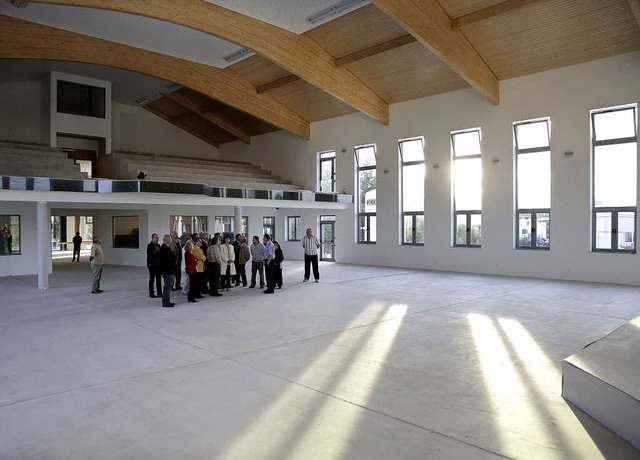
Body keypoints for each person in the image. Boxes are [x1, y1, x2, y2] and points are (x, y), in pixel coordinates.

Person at [159, 234, 176, 308]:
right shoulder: (164, 248)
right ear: (166, 240)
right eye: (170, 239)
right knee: (167, 287)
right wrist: (173, 256)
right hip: (167, 271)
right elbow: (168, 259)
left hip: (168, 270)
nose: (171, 240)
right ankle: (165, 303)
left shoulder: (167, 247)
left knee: (168, 287)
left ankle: (167, 301)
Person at [146, 233, 162, 298]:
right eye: (156, 237)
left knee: (159, 279)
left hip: (158, 265)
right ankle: (151, 293)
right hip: (152, 265)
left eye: (158, 237)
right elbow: (151, 254)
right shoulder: (149, 246)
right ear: (152, 238)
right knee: (152, 279)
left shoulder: (158, 245)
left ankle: (159, 293)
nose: (157, 239)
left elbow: (160, 253)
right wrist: (156, 253)